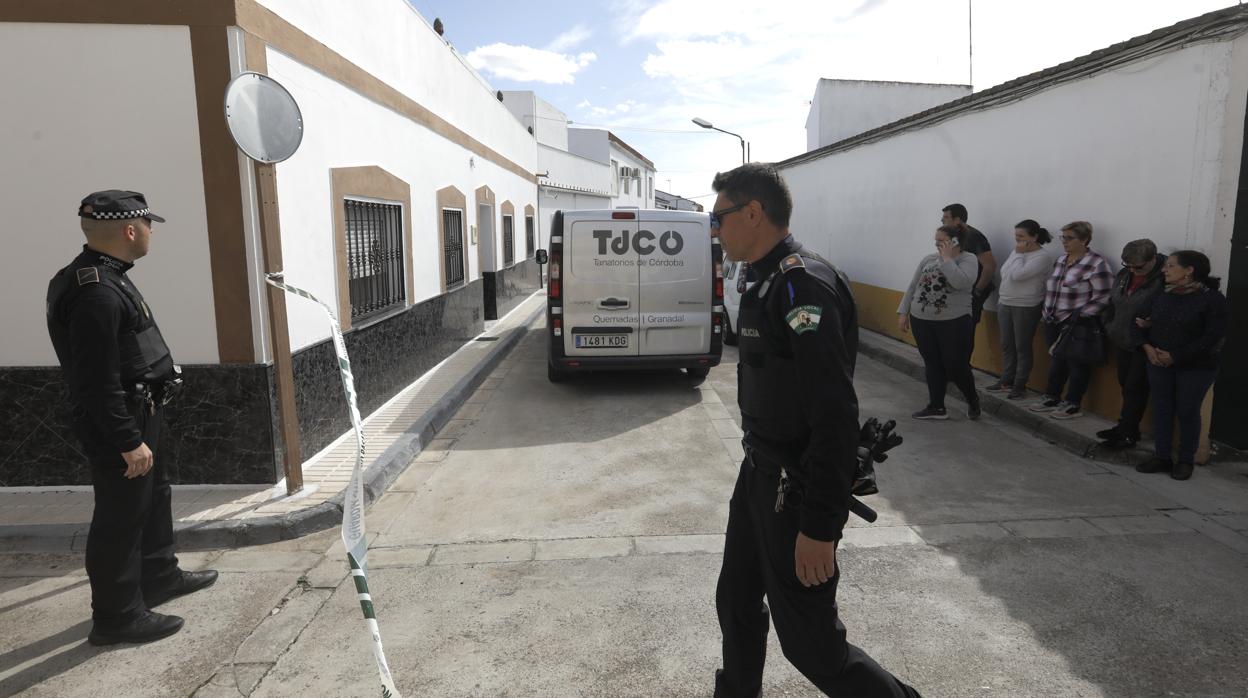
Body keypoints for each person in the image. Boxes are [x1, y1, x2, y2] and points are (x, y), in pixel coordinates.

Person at [709, 164, 921, 697]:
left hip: (794, 490)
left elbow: (834, 417)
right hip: (757, 473)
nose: (716, 230)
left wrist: (820, 526)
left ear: (752, 213)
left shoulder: (802, 286)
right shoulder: (763, 277)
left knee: (810, 645)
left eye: (720, 218)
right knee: (736, 603)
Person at [45, 190, 217, 646]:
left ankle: (159, 576)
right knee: (120, 517)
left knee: (153, 497)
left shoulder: (108, 276)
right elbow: (94, 380)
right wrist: (126, 438)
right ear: (128, 230)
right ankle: (116, 617)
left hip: (140, 409)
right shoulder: (95, 293)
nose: (151, 232)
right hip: (120, 418)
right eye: (147, 224)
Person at [1131, 250, 1228, 481]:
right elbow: (1135, 321)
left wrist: (1176, 356)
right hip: (1158, 361)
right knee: (1162, 409)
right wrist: (1148, 348)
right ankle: (1162, 456)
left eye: (1170, 265)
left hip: (1196, 366)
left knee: (1187, 410)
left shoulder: (1212, 299)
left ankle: (1186, 459)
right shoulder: (1162, 293)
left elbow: (1213, 337)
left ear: (1189, 271)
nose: (1164, 269)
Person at [1029, 221, 1113, 420]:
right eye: (1063, 237)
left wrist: (1082, 314)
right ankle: (1052, 396)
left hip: (1077, 322)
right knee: (1057, 361)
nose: (1065, 242)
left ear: (1084, 240)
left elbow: (1104, 295)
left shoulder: (1096, 263)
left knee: (1077, 364)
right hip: (1053, 320)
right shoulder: (1061, 260)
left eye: (1070, 238)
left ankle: (1073, 403)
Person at [897, 225, 982, 420]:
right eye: (936, 241)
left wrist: (947, 259)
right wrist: (903, 312)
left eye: (941, 241)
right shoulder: (928, 259)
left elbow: (961, 282)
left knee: (956, 365)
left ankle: (972, 399)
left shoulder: (969, 260)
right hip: (922, 320)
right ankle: (936, 406)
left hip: (953, 322)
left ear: (955, 241)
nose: (937, 244)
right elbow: (913, 286)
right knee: (932, 363)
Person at [1097, 239, 1166, 449]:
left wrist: (1151, 325)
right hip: (1121, 338)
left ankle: (1128, 433)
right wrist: (1108, 324)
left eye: (1139, 267)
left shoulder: (1162, 279)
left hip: (1145, 343)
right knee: (1125, 384)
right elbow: (1113, 302)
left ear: (1153, 259)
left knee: (1136, 386)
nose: (1134, 271)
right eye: (1129, 266)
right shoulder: (1124, 275)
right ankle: (1125, 426)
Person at [986, 220, 1052, 400]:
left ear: (1035, 236)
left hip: (1026, 305)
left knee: (1022, 346)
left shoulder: (1042, 257)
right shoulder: (1017, 252)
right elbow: (1004, 273)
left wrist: (1019, 255)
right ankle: (1006, 379)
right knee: (1007, 344)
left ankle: (1020, 384)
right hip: (1005, 302)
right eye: (1016, 237)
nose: (1018, 241)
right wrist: (1018, 254)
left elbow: (1017, 275)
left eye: (1022, 237)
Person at [940, 203, 997, 339]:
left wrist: (976, 291)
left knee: (964, 331)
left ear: (957, 220)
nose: (942, 221)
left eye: (946, 217)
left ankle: (962, 361)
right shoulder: (954, 237)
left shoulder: (973, 236)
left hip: (971, 292)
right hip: (957, 290)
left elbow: (990, 265)